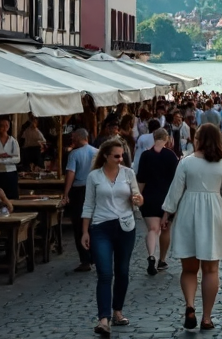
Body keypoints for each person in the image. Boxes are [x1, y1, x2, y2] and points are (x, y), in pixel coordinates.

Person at [161, 124, 222, 332]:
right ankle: (206, 317)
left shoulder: (186, 163)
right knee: (211, 269)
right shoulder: (221, 165)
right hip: (213, 213)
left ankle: (189, 305)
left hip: (188, 212)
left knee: (189, 269)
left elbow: (175, 191)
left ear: (197, 139)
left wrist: (166, 214)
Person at [81, 140, 142, 336]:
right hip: (101, 227)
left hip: (125, 226)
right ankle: (103, 319)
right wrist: (85, 231)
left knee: (122, 271)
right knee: (105, 273)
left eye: (122, 155)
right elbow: (88, 204)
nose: (120, 159)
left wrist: (138, 200)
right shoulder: (94, 177)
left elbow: (138, 198)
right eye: (116, 156)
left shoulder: (128, 173)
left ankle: (117, 311)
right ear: (105, 156)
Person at [137, 128, 180, 276]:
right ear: (167, 139)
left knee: (153, 229)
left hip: (149, 197)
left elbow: (141, 179)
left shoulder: (145, 155)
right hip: (167, 198)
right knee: (166, 229)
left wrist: (138, 196)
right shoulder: (171, 156)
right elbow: (177, 181)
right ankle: (162, 259)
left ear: (154, 138)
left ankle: (151, 256)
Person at [61, 128, 98, 272]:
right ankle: (95, 255)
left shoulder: (74, 154)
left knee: (79, 225)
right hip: (94, 189)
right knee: (93, 223)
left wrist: (66, 193)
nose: (72, 139)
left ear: (78, 138)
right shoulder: (97, 152)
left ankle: (85, 259)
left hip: (79, 190)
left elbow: (71, 173)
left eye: (73, 137)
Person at [0, 117, 21, 199]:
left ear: (8, 127)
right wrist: (6, 157)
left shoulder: (13, 141)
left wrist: (2, 159)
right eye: (1, 125)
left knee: (11, 197)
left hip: (10, 173)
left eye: (6, 125)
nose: (4, 128)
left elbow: (17, 159)